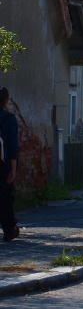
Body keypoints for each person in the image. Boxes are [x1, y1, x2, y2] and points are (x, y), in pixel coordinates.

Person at [0, 86, 19, 241]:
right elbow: (12, 146)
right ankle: (8, 231)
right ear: (6, 100)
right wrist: (13, 169)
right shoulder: (9, 118)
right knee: (5, 198)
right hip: (3, 165)